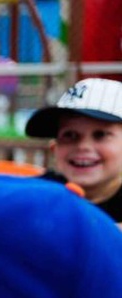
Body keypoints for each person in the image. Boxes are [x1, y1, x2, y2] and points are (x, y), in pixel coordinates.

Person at [25, 77, 122, 225]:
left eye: (100, 135)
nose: (83, 146)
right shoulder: (35, 195)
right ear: (54, 149)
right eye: (70, 135)